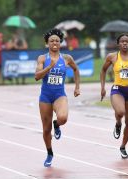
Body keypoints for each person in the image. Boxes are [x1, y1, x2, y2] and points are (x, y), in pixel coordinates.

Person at [35, 28, 80, 167]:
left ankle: (57, 124)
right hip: (46, 96)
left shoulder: (66, 58)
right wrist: (49, 68)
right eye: (51, 41)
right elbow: (37, 76)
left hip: (59, 94)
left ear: (60, 43)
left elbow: (76, 70)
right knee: (46, 129)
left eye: (57, 41)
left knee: (63, 118)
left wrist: (77, 87)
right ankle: (49, 153)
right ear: (47, 43)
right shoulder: (43, 58)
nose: (54, 43)